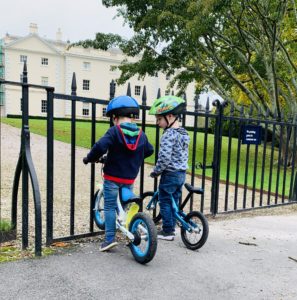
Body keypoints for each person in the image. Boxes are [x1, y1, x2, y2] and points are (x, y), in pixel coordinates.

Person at [83, 95, 154, 251]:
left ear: (115, 118)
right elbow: (149, 150)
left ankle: (109, 239)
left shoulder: (115, 131)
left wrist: (90, 158)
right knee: (125, 205)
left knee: (109, 206)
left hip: (112, 178)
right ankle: (129, 229)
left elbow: (100, 146)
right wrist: (135, 158)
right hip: (129, 178)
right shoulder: (141, 134)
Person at [149, 95, 189, 241]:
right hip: (181, 174)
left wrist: (157, 171)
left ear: (170, 116)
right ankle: (171, 227)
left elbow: (164, 158)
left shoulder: (169, 134)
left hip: (170, 173)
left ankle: (167, 231)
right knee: (174, 201)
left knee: (165, 200)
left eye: (159, 119)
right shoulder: (184, 133)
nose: (157, 122)